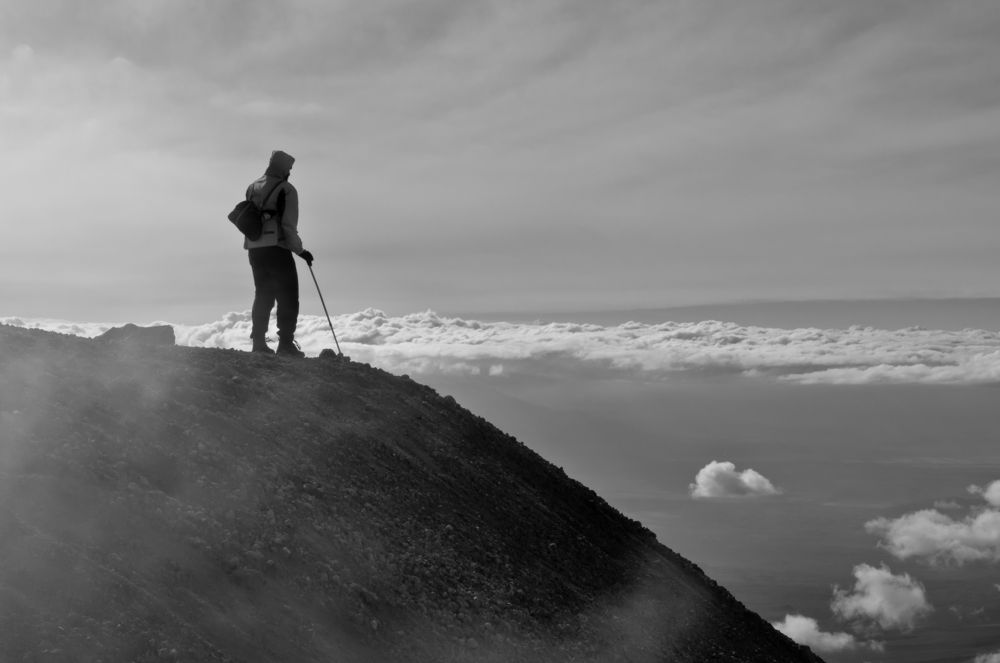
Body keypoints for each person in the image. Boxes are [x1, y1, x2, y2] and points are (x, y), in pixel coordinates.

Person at [244, 150, 314, 357]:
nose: (290, 171)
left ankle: (258, 343)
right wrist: (301, 251)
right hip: (277, 248)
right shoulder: (286, 189)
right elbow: (288, 226)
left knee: (263, 294)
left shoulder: (252, 187)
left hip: (254, 248)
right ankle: (285, 345)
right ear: (284, 168)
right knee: (288, 296)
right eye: (289, 168)